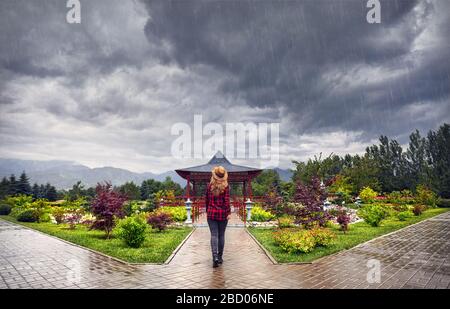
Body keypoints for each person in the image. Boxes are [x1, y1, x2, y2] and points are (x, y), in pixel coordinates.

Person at [205, 165, 231, 268]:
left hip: (211, 213)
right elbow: (227, 201)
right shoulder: (226, 187)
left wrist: (208, 210)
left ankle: (214, 257)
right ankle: (220, 258)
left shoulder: (209, 186)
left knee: (214, 235)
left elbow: (206, 200)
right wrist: (228, 213)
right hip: (223, 214)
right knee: (221, 235)